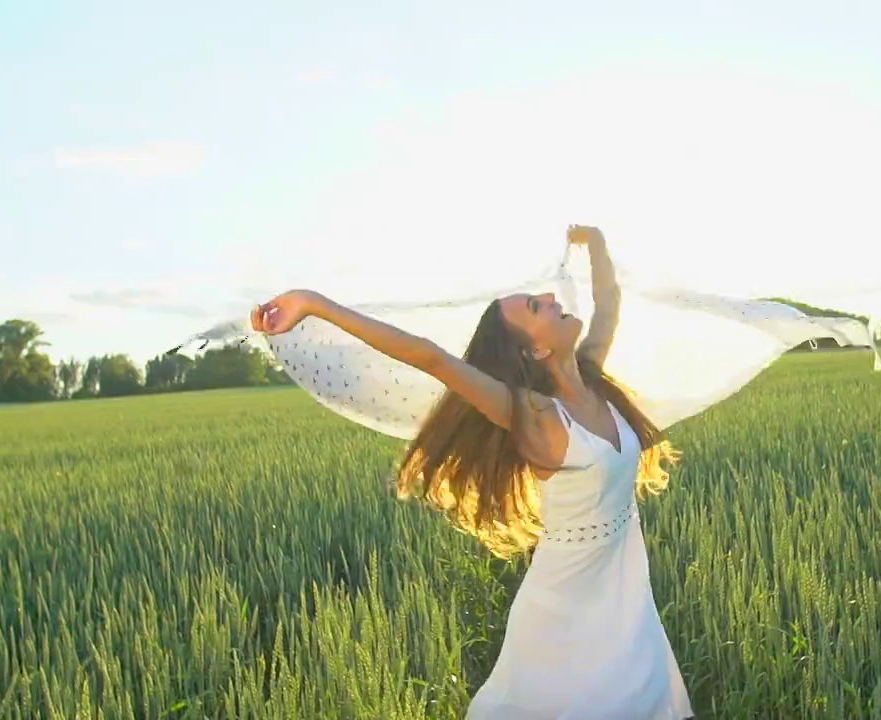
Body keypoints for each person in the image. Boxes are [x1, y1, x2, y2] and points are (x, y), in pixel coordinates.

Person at [250, 225, 694, 719]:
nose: (550, 297)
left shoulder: (592, 379)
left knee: (643, 696)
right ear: (536, 351)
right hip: (566, 612)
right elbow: (431, 357)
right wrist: (313, 303)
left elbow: (608, 299)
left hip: (625, 592)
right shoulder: (534, 415)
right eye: (535, 307)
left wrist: (596, 242)